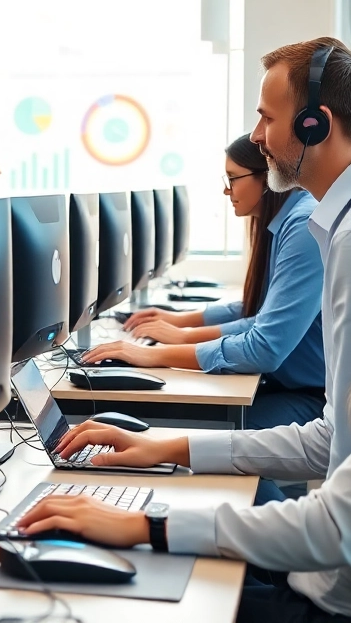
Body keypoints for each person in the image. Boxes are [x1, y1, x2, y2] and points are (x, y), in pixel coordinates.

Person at [21, 126, 351, 622]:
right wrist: (171, 447)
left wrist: (143, 524)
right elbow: (333, 442)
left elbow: (333, 529)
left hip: (347, 608)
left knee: (101, 600)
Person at [84, 134, 326, 432]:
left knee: (204, 430)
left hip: (314, 399)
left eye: (233, 178)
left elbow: (264, 347)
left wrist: (155, 352)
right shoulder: (283, 220)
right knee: (187, 421)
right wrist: (181, 325)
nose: (226, 190)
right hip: (289, 385)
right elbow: (259, 311)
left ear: (266, 178)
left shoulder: (301, 227)